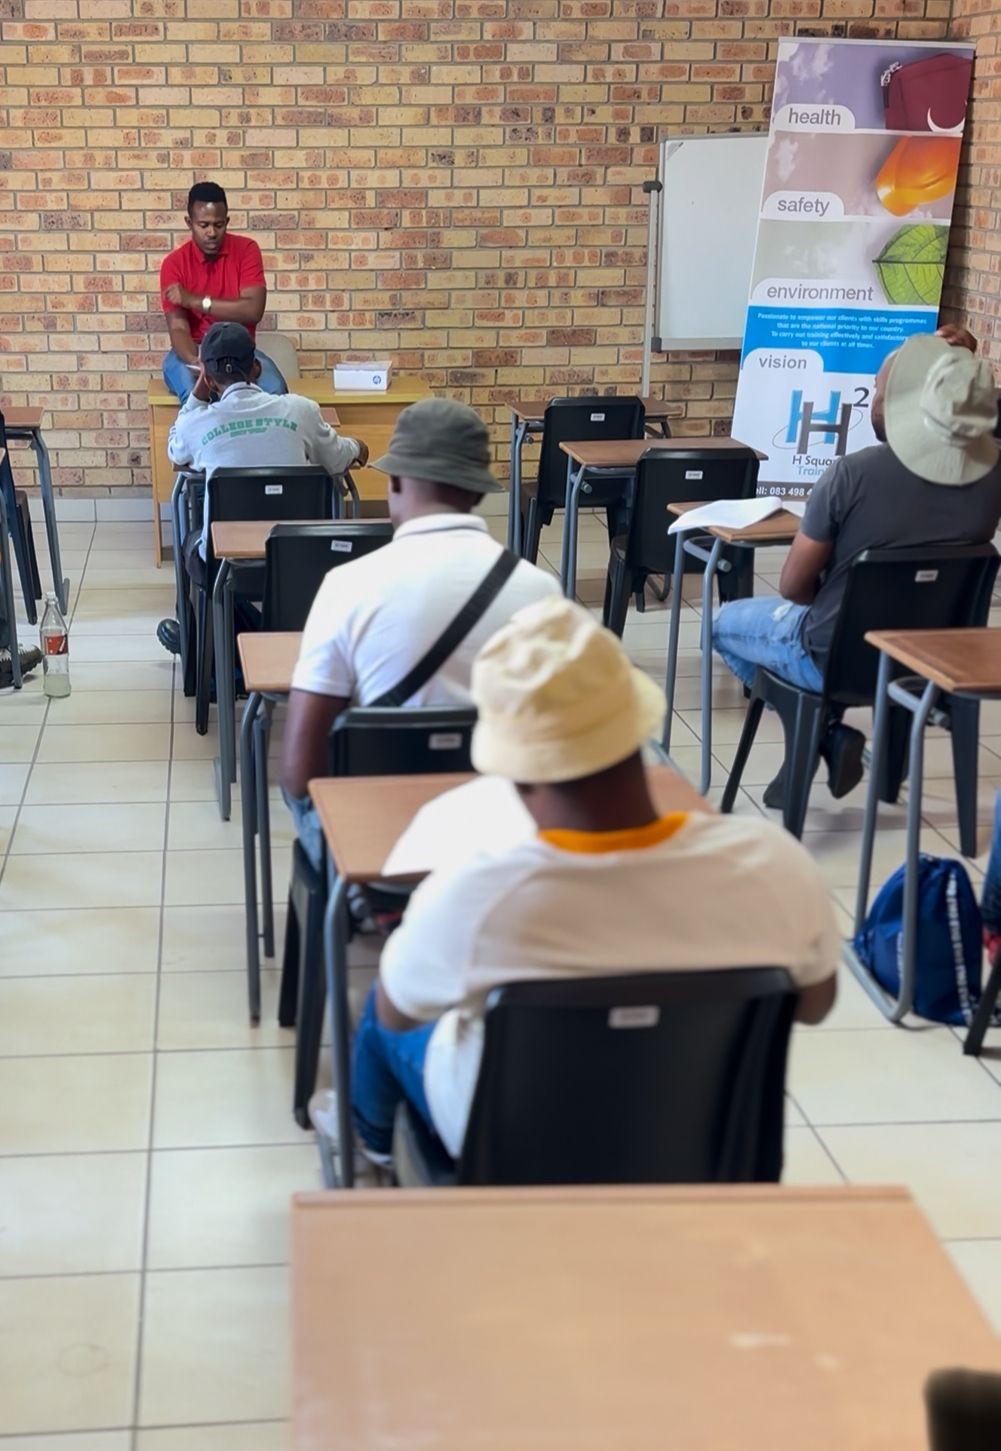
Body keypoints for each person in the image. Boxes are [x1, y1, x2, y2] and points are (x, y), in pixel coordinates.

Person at [309, 595, 839, 1164]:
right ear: (637, 728)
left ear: (512, 767)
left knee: (379, 1012)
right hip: (705, 1144)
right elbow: (813, 1005)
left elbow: (398, 1012)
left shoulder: (475, 895)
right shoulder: (773, 865)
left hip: (516, 1150)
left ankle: (368, 1146)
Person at [713, 333, 1001, 803]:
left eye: (882, 394)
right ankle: (840, 736)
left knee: (722, 623)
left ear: (910, 404)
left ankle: (821, 731)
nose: (875, 400)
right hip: (931, 660)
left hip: (834, 659)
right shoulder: (993, 477)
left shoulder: (854, 473)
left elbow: (792, 586)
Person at [280, 396, 559, 865]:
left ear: (394, 481)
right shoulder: (541, 592)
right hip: (502, 848)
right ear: (476, 490)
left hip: (382, 848)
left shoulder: (346, 586)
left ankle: (366, 907)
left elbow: (299, 770)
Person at [156, 321, 367, 656]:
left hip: (227, 568)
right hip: (301, 559)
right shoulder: (300, 409)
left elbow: (176, 450)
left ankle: (206, 650)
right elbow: (338, 457)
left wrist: (197, 394)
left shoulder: (198, 423)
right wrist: (359, 447)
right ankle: (251, 645)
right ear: (256, 368)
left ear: (207, 379)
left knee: (194, 546)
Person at [160, 181, 286, 403]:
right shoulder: (174, 263)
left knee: (276, 390)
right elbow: (178, 328)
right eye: (204, 225)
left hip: (239, 350)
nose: (211, 233)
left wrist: (194, 301)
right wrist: (197, 360)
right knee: (194, 395)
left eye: (219, 225)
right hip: (195, 349)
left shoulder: (247, 250)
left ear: (227, 221)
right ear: (189, 223)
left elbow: (252, 310)